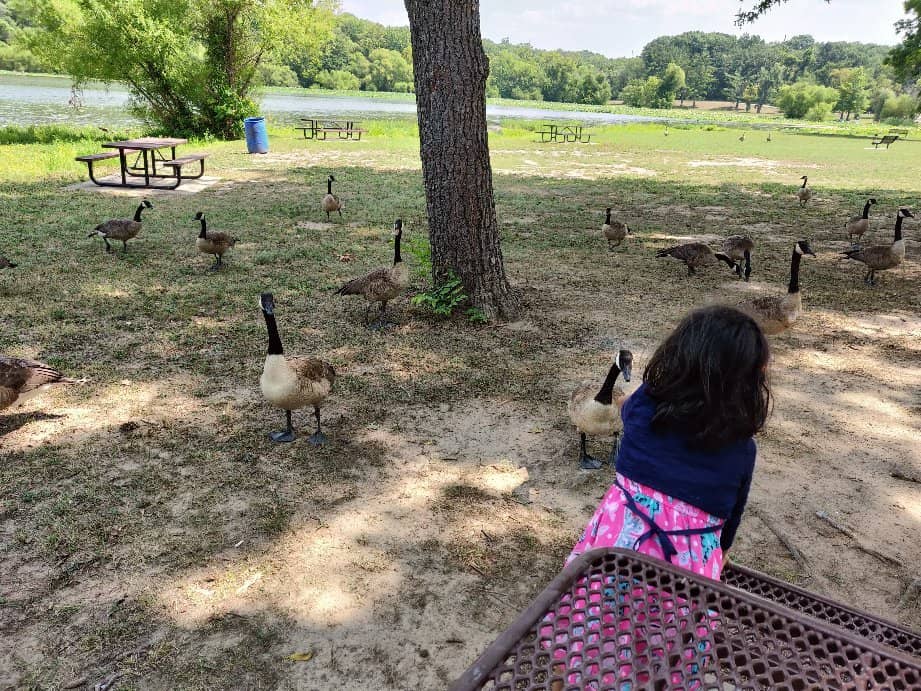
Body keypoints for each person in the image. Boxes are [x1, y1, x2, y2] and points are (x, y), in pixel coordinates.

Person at [566, 305, 771, 580]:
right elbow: (731, 521)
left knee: (594, 598)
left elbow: (627, 408)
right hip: (683, 578)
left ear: (674, 356)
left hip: (613, 553)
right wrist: (721, 550)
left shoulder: (642, 405)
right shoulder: (742, 452)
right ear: (750, 385)